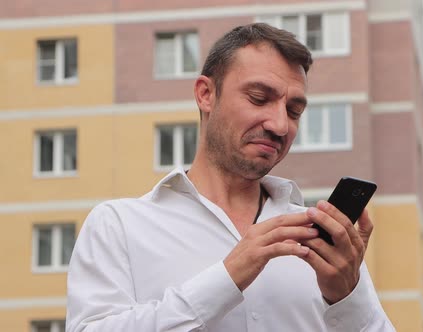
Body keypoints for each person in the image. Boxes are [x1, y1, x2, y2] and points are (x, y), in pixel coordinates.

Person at [66, 23, 396, 332]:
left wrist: (348, 296)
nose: (280, 125)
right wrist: (227, 278)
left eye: (294, 111)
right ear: (205, 94)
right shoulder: (120, 225)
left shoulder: (324, 243)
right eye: (259, 98)